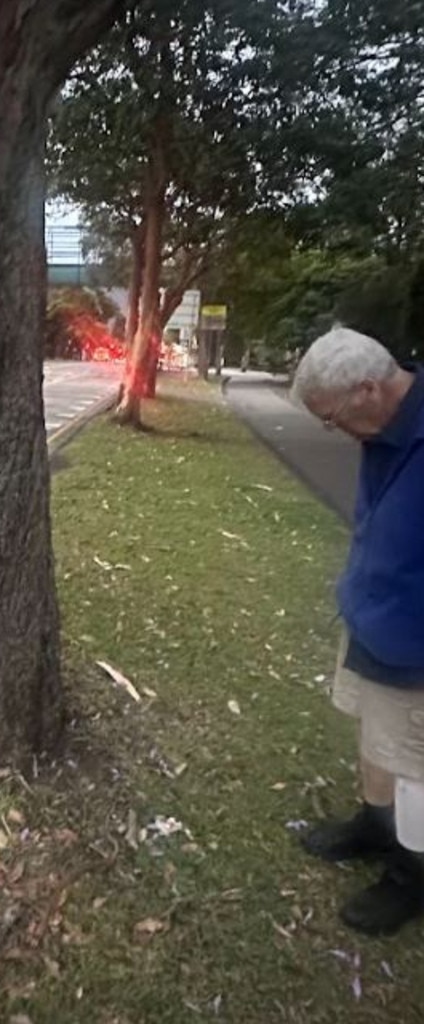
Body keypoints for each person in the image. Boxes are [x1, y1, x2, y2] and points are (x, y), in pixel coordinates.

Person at [291, 326, 424, 936]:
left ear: (369, 389)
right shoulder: (384, 423)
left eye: (332, 417)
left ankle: (411, 875)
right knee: (376, 738)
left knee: (417, 769)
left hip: (415, 640)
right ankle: (375, 822)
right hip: (372, 614)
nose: (332, 430)